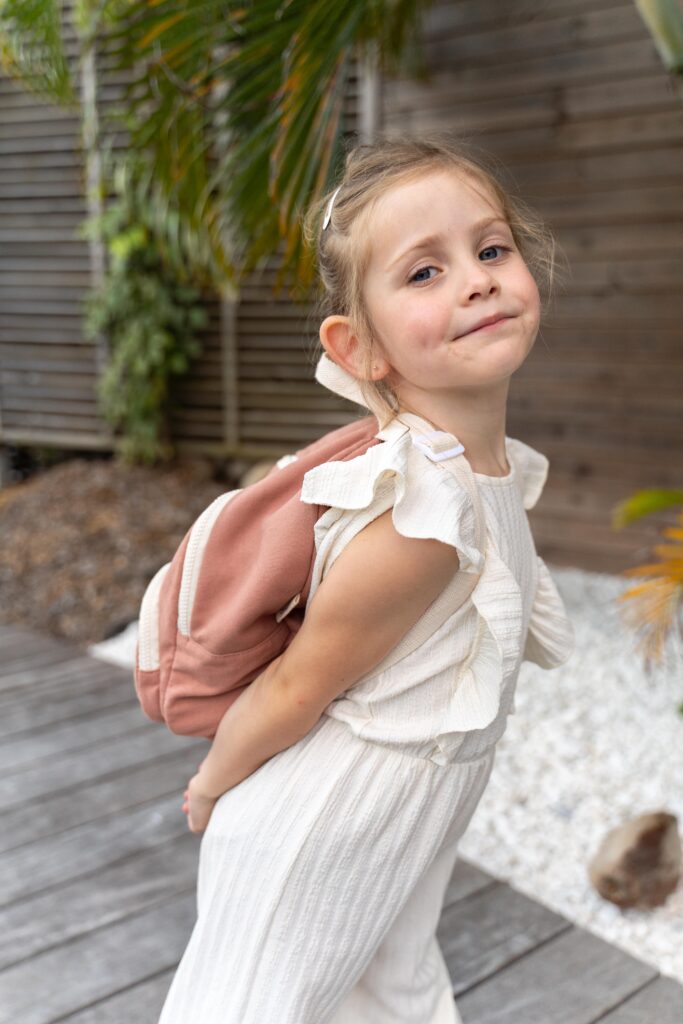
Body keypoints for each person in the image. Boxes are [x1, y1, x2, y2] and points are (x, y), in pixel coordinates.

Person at [158, 134, 575, 1024]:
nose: (475, 280)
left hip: (409, 813)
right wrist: (209, 784)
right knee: (248, 1007)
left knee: (392, 994)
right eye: (423, 273)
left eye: (490, 249)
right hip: (323, 827)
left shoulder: (484, 470)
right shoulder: (419, 517)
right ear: (362, 348)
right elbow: (295, 685)